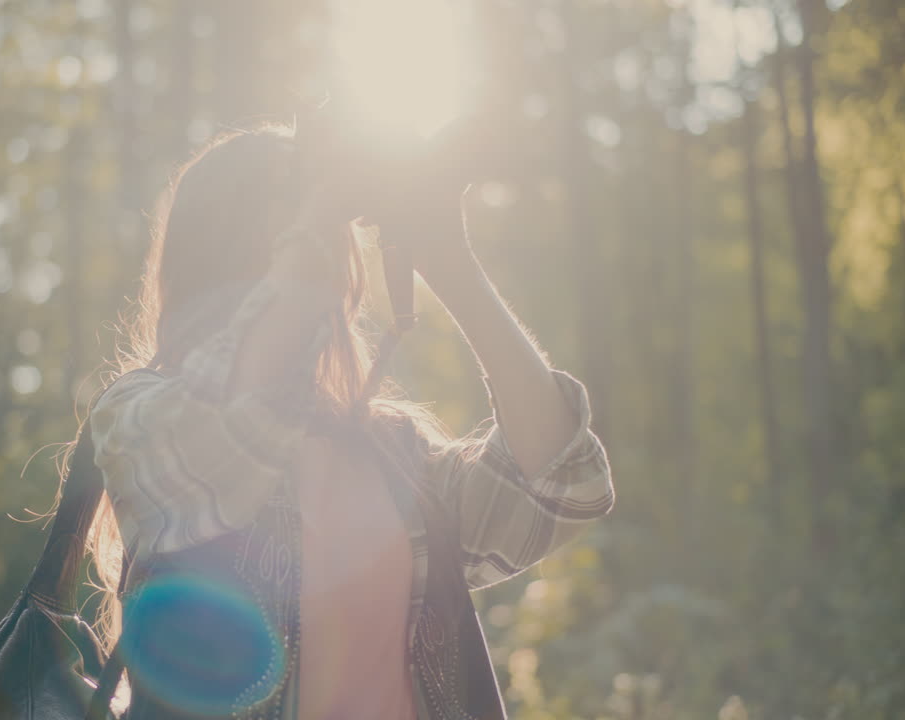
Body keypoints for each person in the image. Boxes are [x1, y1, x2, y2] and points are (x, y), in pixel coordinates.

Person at [85, 121, 615, 720]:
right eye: (292, 227)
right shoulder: (140, 415)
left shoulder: (390, 452)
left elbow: (562, 486)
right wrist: (320, 211)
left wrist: (448, 258)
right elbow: (230, 433)